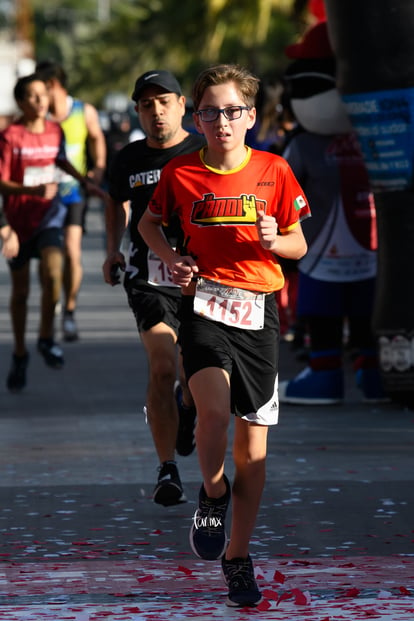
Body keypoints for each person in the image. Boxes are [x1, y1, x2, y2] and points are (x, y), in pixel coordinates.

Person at [138, 64, 309, 608]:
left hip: (258, 312)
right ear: (198, 117)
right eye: (209, 112)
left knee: (251, 448)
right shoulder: (181, 174)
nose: (221, 121)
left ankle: (237, 556)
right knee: (211, 412)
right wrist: (173, 259)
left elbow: (299, 245)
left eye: (232, 111)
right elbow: (148, 224)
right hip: (205, 307)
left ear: (251, 116)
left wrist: (274, 240)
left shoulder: (276, 171)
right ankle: (213, 493)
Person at [102, 70, 205, 507]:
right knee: (163, 367)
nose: (156, 111)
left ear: (183, 106)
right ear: (138, 112)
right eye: (147, 105)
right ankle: (168, 469)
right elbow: (115, 203)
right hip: (149, 277)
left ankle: (189, 407)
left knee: (193, 374)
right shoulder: (128, 158)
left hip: (202, 276)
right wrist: (113, 250)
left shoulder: (203, 151)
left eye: (164, 102)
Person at [278, 20, 385, 404]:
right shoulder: (373, 136)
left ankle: (351, 374)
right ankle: (358, 373)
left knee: (354, 317)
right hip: (355, 254)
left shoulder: (307, 144)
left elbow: (278, 192)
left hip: (335, 254)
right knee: (352, 316)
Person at [0, 73, 103, 392]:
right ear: (20, 101)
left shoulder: (55, 130)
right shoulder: (10, 136)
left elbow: (58, 159)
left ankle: (45, 337)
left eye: (42, 95)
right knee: (20, 294)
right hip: (19, 222)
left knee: (54, 271)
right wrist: (28, 191)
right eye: (31, 96)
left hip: (49, 217)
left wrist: (85, 181)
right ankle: (19, 353)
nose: (39, 101)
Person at [35, 60, 107, 342]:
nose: (37, 96)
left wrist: (98, 170)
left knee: (73, 252)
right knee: (48, 257)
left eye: (41, 88)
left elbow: (96, 137)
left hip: (74, 191)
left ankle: (69, 310)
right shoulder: (37, 114)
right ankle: (51, 301)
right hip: (44, 194)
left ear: (52, 85)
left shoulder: (83, 110)